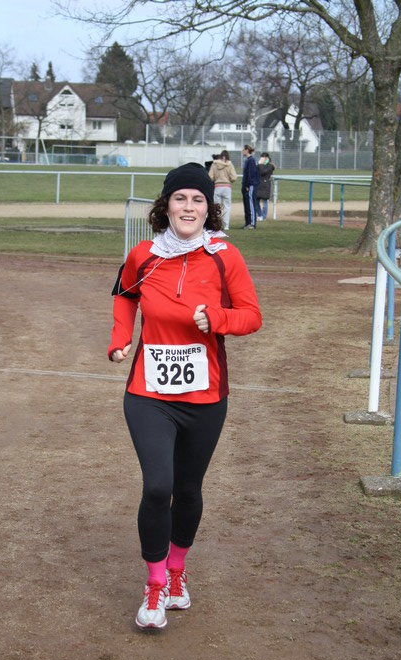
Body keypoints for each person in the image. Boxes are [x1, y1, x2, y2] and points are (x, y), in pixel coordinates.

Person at [108, 162, 262, 630]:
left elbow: (251, 315)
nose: (189, 207)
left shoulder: (225, 256)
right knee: (158, 486)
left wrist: (217, 318)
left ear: (208, 208)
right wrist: (120, 339)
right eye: (180, 198)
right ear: (166, 205)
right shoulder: (144, 255)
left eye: (198, 199)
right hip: (148, 393)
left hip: (206, 397)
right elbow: (125, 295)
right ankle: (155, 585)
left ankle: (177, 573)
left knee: (189, 490)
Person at [209, 150, 237, 231]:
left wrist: (216, 179)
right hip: (227, 187)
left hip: (217, 187)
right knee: (227, 207)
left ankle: (217, 224)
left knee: (216, 208)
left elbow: (210, 176)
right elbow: (234, 177)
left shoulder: (214, 164)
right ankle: (226, 225)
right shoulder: (229, 164)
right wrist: (229, 179)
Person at [241, 144, 259, 229]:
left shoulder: (251, 160)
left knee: (251, 203)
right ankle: (247, 222)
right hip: (246, 185)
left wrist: (248, 184)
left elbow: (251, 174)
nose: (243, 151)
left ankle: (252, 223)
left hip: (251, 185)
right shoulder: (247, 160)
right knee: (247, 204)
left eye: (244, 149)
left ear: (247, 150)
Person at [257, 152, 275, 221]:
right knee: (256, 201)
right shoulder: (259, 165)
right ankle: (259, 215)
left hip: (265, 186)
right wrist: (259, 165)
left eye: (263, 158)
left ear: (267, 158)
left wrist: (260, 165)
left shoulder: (270, 166)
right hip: (258, 185)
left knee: (264, 203)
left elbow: (263, 172)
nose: (261, 159)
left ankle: (263, 217)